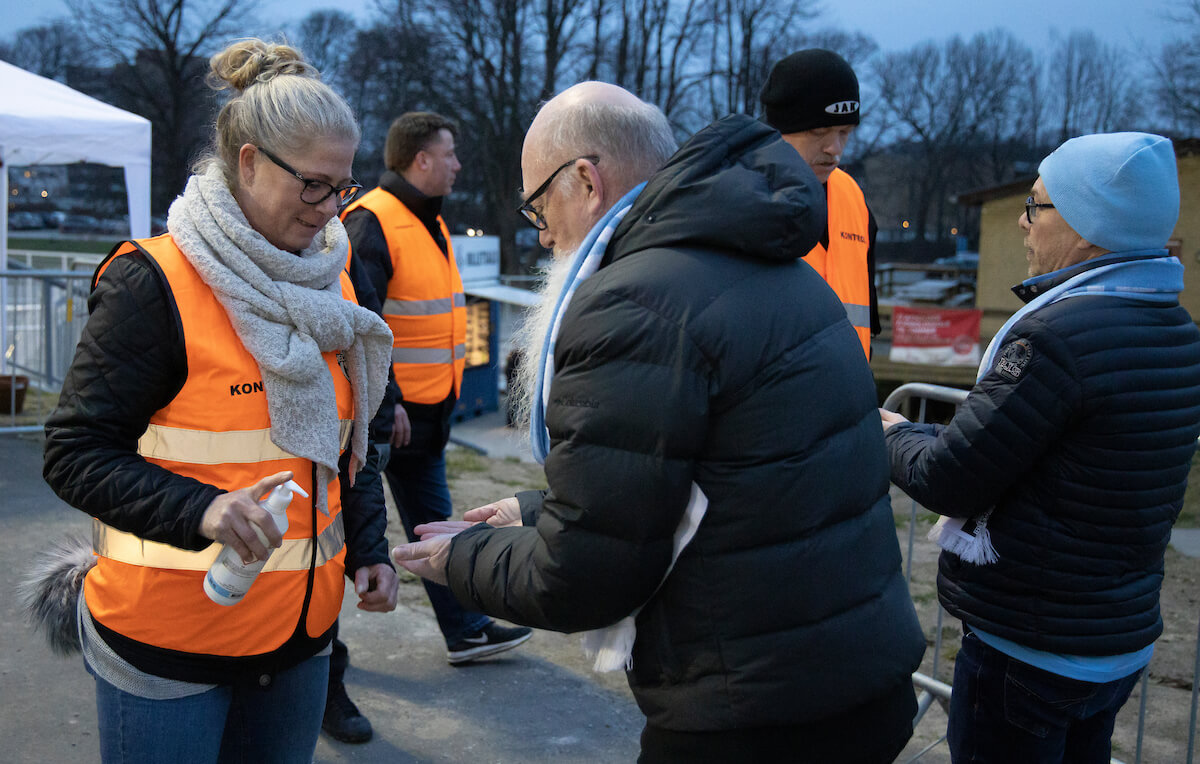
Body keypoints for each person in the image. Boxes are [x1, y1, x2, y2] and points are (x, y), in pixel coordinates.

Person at [393, 81, 926, 763]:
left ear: (585, 181)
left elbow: (584, 578)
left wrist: (461, 557)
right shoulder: (773, 262)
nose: (544, 233)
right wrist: (536, 513)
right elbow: (720, 481)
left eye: (537, 206)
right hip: (854, 677)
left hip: (749, 713)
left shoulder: (635, 304)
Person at [40, 39, 399, 763]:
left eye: (344, 187)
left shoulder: (334, 279)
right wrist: (203, 509)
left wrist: (370, 548)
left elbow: (346, 439)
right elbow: (73, 452)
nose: (332, 210)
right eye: (313, 186)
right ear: (248, 163)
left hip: (301, 639)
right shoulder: (154, 283)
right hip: (170, 646)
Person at [880, 132, 1200, 763]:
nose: (1024, 224)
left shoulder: (1057, 338)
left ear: (1086, 222)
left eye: (1036, 205)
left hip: (1031, 646)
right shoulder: (1172, 326)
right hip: (1113, 639)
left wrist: (890, 432)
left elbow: (952, 478)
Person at [325, 111, 532, 742]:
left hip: (428, 415)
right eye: (450, 153)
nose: (458, 164)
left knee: (433, 524)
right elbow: (362, 326)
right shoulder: (372, 221)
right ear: (420, 160)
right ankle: (324, 679)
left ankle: (464, 630)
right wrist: (391, 404)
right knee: (337, 542)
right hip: (392, 418)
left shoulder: (430, 220)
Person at [760, 48, 880, 358]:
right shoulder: (738, 197)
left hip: (848, 398)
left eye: (845, 132)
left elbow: (866, 322)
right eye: (818, 131)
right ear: (780, 129)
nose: (834, 148)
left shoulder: (854, 198)